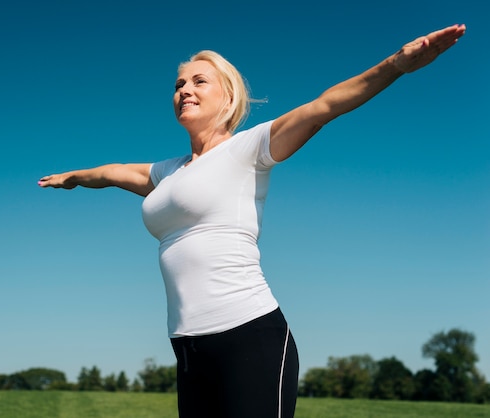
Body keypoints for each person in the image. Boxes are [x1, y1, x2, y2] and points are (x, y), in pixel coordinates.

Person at [38, 24, 466, 418]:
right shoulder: (167, 173)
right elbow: (113, 173)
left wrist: (397, 65)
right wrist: (73, 178)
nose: (184, 89)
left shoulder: (247, 148)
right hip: (187, 350)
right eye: (179, 84)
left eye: (198, 81)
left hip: (249, 336)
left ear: (228, 96)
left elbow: (325, 106)